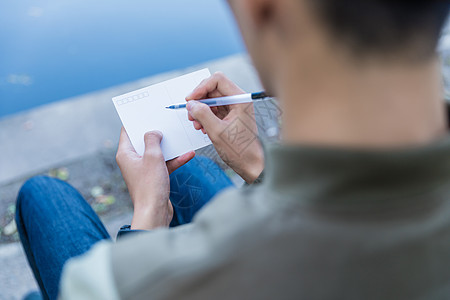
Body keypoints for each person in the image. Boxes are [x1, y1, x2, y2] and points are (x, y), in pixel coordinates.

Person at [16, 0, 450, 299]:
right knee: (190, 172)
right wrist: (254, 164)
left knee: (43, 196)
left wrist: (149, 216)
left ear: (265, 9)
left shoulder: (113, 283)